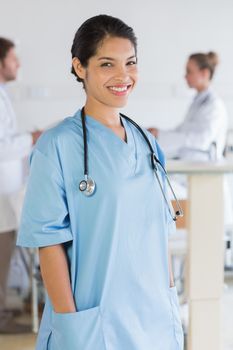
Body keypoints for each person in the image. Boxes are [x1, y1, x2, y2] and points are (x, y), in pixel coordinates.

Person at [17, 15, 184, 349]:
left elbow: (158, 232)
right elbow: (48, 246)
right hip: (95, 322)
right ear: (80, 67)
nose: (123, 76)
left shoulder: (147, 143)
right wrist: (73, 327)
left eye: (131, 63)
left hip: (153, 320)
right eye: (107, 64)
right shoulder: (57, 145)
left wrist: (169, 302)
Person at [0, 37, 41, 333]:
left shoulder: (3, 95)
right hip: (2, 192)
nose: (19, 64)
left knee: (5, 257)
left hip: (9, 191)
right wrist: (30, 139)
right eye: (14, 59)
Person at [148, 52, 228, 161]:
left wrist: (161, 135)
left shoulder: (213, 105)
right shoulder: (198, 102)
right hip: (191, 164)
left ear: (204, 73)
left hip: (205, 167)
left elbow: (201, 139)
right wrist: (159, 133)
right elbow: (183, 130)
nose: (185, 76)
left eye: (189, 71)